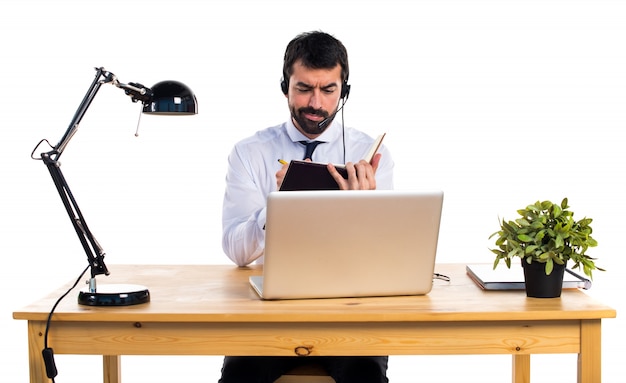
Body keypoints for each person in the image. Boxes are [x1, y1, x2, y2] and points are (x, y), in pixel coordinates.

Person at [220, 31, 393, 383]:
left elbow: (386, 259)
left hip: (351, 310)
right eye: (304, 89)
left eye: (328, 90)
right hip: (271, 311)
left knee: (366, 377)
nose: (316, 102)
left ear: (343, 91)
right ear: (285, 86)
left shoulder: (370, 157)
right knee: (239, 377)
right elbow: (237, 252)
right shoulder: (249, 152)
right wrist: (280, 206)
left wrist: (364, 211)